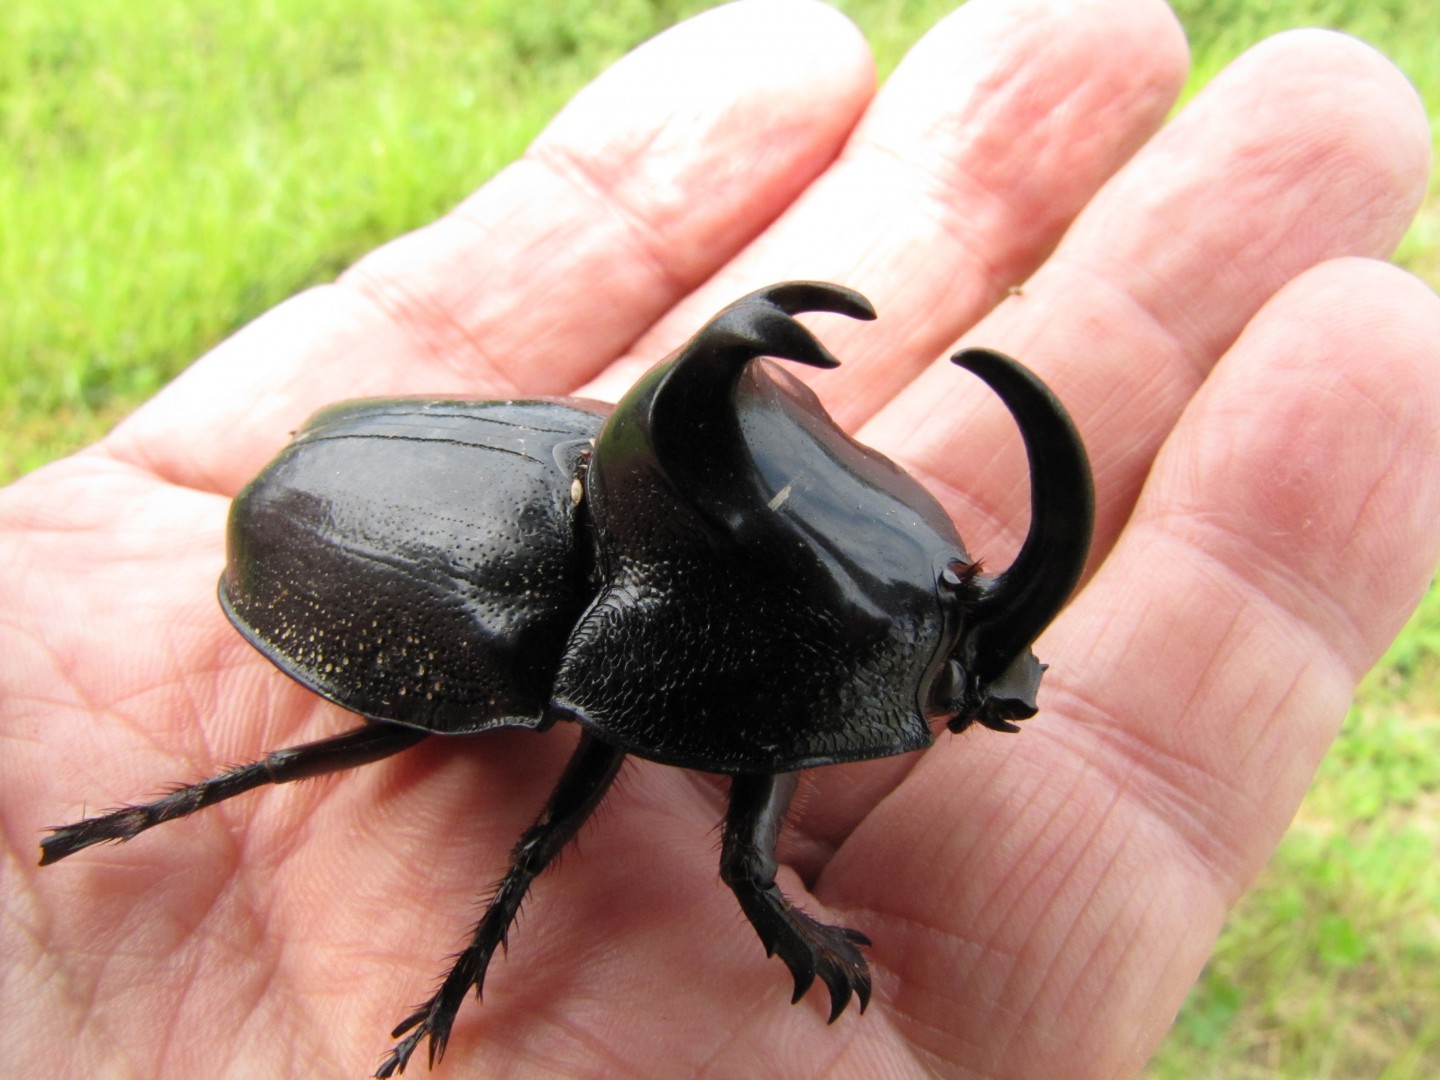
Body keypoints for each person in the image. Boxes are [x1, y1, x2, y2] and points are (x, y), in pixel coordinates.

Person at [3, 1, 1437, 1076]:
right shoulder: (589, 625)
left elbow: (755, 781)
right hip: (323, 545)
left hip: (422, 473)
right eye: (947, 657)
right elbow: (737, 866)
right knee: (408, 772)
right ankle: (176, 815)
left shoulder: (670, 537)